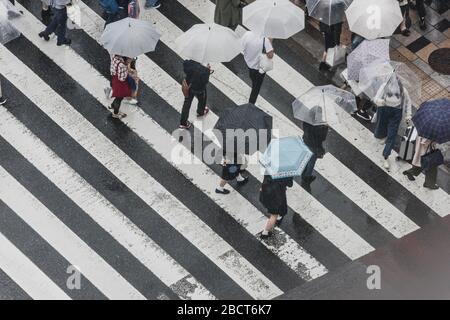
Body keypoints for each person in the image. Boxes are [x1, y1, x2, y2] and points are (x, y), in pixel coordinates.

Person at [373, 76, 412, 170]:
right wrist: (381, 101)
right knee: (381, 128)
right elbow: (375, 99)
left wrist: (408, 115)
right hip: (384, 109)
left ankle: (385, 156)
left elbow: (408, 102)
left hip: (396, 112)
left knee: (392, 135)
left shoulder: (403, 91)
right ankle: (384, 136)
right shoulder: (384, 86)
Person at [242, 30, 274, 105]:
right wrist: (270, 42)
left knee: (253, 78)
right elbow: (270, 56)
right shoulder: (265, 40)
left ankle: (253, 83)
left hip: (249, 63)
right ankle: (251, 104)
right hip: (259, 68)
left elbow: (242, 46)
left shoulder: (247, 34)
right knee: (256, 88)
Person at [179, 60, 211, 129]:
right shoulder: (205, 70)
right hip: (199, 88)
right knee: (202, 99)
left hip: (189, 86)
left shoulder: (190, 63)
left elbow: (185, 67)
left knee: (187, 102)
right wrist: (208, 70)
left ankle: (183, 123)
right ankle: (201, 112)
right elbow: (205, 81)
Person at [301, 114, 329, 185]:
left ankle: (304, 171)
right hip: (314, 146)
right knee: (312, 161)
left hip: (306, 141)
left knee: (307, 158)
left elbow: (304, 128)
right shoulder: (320, 125)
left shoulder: (307, 119)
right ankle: (307, 177)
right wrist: (326, 128)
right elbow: (322, 138)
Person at [110, 55, 132, 119]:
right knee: (119, 98)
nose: (131, 60)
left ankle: (113, 105)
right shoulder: (122, 66)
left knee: (117, 96)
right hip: (120, 83)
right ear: (126, 58)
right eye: (130, 59)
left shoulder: (115, 58)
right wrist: (127, 70)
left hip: (114, 79)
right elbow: (122, 78)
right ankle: (115, 113)